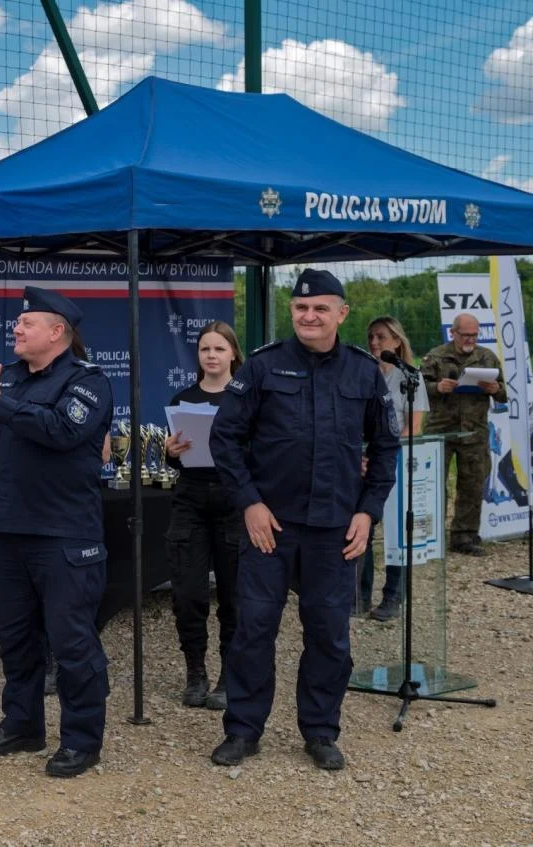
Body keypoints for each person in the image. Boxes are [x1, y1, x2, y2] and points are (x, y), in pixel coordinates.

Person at [208, 268, 399, 772]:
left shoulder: (364, 372)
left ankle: (320, 730)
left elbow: (385, 448)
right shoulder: (263, 366)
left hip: (335, 529)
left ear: (342, 313)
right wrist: (249, 502)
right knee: (253, 629)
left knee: (329, 634)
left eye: (320, 308)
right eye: (300, 308)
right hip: (270, 526)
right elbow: (225, 438)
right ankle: (243, 729)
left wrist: (368, 511)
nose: (309, 316)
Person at [0, 286, 112, 779]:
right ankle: (23, 724)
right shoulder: (9, 377)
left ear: (57, 332)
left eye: (27, 323)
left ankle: (82, 740)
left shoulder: (87, 381)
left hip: (65, 536)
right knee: (16, 638)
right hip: (12, 533)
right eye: (18, 323)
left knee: (72, 643)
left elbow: (62, 430)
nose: (16, 328)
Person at [163, 321, 244, 710]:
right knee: (189, 593)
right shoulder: (184, 398)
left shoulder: (246, 397)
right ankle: (195, 671)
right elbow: (175, 461)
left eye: (219, 349)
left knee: (233, 595)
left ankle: (230, 674)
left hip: (233, 501)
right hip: (191, 499)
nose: (211, 355)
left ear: (233, 354)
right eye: (205, 349)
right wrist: (170, 452)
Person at [360, 316, 429, 620]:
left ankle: (393, 596)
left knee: (396, 529)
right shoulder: (363, 373)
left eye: (382, 337)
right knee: (362, 525)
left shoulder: (409, 377)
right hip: (363, 462)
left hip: (395, 461)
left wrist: (383, 454)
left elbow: (413, 427)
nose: (375, 343)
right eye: (371, 337)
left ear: (397, 341)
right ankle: (359, 595)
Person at [421, 313, 506, 557]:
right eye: (465, 335)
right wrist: (437, 387)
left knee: (472, 485)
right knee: (433, 486)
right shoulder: (435, 357)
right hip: (440, 431)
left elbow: (505, 394)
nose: (470, 339)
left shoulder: (487, 358)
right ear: (453, 333)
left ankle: (464, 536)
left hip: (474, 432)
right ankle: (430, 537)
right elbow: (416, 389)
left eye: (474, 335)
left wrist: (496, 388)